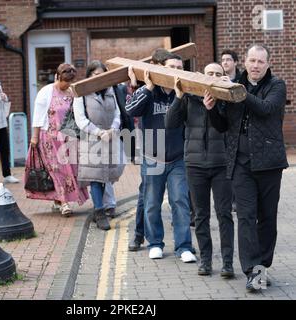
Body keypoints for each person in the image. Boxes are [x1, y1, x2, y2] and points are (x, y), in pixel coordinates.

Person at [204, 44, 288, 292]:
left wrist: (238, 91)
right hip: (240, 162)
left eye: (260, 62)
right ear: (246, 62)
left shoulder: (276, 86)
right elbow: (221, 126)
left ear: (267, 64)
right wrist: (211, 110)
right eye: (252, 60)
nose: (255, 65)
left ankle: (263, 266)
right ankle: (253, 271)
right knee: (245, 217)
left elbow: (266, 109)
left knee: (267, 219)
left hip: (269, 164)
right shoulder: (234, 85)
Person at [125, 50, 196, 262]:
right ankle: (155, 243)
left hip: (178, 158)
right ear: (160, 68)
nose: (175, 72)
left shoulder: (184, 93)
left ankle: (184, 247)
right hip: (152, 158)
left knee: (180, 202)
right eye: (171, 68)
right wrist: (146, 88)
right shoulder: (149, 92)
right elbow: (130, 110)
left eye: (179, 68)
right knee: (152, 203)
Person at [165, 62, 235, 278]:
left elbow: (225, 126)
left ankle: (227, 263)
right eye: (209, 73)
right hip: (195, 165)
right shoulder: (188, 97)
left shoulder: (227, 99)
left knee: (224, 214)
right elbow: (170, 123)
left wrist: (214, 106)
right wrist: (178, 97)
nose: (212, 76)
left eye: (217, 74)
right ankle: (205, 260)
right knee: (201, 215)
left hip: (221, 164)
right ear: (201, 77)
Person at [29, 63, 88, 215]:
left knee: (69, 169)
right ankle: (64, 203)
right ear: (58, 77)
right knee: (58, 170)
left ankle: (58, 199)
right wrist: (34, 137)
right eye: (65, 81)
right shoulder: (46, 91)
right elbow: (38, 115)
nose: (67, 84)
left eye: (70, 81)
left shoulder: (71, 92)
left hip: (69, 139)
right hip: (50, 138)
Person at [73, 60, 125, 230]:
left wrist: (113, 128)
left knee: (106, 176)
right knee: (95, 177)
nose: (99, 77)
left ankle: (101, 209)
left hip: (110, 137)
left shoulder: (110, 91)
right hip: (92, 139)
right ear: (88, 76)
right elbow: (80, 119)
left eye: (103, 74)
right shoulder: (81, 93)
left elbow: (118, 112)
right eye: (96, 74)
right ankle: (100, 212)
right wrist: (99, 132)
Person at [221, 49, 241, 212]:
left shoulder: (242, 80)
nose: (225, 62)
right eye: (223, 60)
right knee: (227, 164)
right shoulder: (217, 79)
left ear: (235, 62)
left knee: (237, 164)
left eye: (228, 59)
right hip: (223, 127)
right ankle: (229, 199)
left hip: (238, 127)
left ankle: (236, 199)